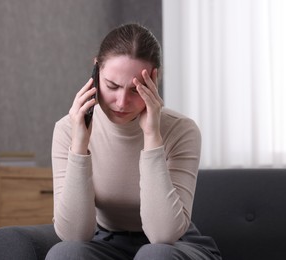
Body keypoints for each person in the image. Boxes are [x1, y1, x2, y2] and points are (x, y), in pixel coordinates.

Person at [47, 23, 221, 260]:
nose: (121, 102)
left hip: (175, 246)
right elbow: (74, 234)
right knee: (65, 254)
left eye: (135, 90)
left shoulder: (181, 130)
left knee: (155, 255)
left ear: (154, 81)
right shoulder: (67, 129)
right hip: (107, 243)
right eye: (112, 86)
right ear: (96, 71)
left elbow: (163, 234)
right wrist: (79, 146)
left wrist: (152, 137)